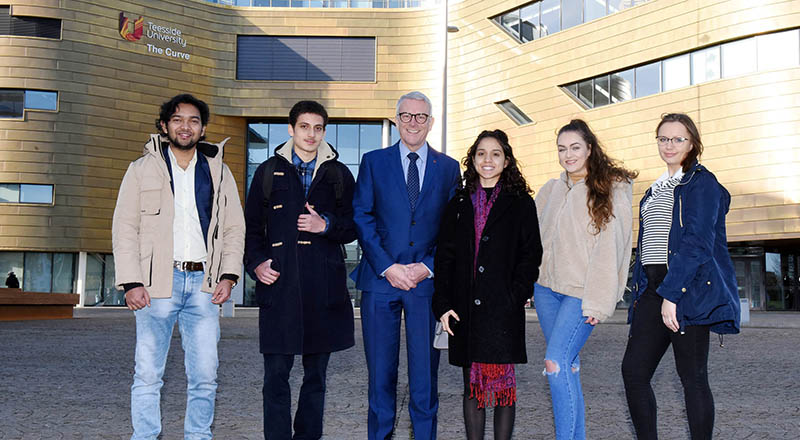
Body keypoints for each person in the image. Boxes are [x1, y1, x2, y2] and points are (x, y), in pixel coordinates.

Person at [112, 94, 245, 440]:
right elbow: (124, 227)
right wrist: (131, 282)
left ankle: (198, 436)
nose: (185, 126)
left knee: (204, 375)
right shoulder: (141, 169)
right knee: (148, 375)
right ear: (164, 125)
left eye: (194, 120)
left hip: (204, 284)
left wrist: (228, 275)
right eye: (178, 119)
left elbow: (233, 227)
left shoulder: (219, 170)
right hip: (156, 284)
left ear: (202, 129)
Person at [621, 113, 740, 439]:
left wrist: (673, 295)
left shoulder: (702, 183)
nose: (669, 145)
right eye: (663, 138)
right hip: (651, 288)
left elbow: (696, 243)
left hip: (688, 288)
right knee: (633, 373)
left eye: (678, 139)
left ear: (693, 143)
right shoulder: (654, 189)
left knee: (692, 377)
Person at [351, 91, 461, 440]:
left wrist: (425, 267)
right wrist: (389, 266)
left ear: (431, 122)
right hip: (381, 281)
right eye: (407, 115)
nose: (414, 122)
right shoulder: (373, 161)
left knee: (425, 377)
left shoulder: (448, 168)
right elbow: (362, 216)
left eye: (421, 116)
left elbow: (453, 228)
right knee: (380, 376)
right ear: (396, 119)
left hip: (426, 285)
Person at [244, 100, 357, 440]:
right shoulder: (267, 172)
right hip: (279, 289)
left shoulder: (339, 174)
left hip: (323, 291)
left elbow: (354, 226)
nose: (311, 134)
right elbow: (251, 228)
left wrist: (326, 224)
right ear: (291, 130)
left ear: (324, 131)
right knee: (275, 377)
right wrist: (256, 264)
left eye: (318, 128)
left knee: (316, 379)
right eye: (304, 127)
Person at [432, 129, 542, 440]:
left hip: (502, 310)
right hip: (465, 307)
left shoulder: (520, 203)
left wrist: (516, 293)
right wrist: (442, 304)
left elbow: (531, 253)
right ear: (473, 159)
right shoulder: (458, 202)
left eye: (495, 154)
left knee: (504, 389)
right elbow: (445, 258)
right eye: (481, 153)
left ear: (506, 161)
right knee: (472, 387)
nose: (488, 160)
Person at [533, 119, 637, 439]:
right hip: (546, 291)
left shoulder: (611, 188)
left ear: (590, 148)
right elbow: (530, 240)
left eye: (575, 147)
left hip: (582, 294)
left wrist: (599, 300)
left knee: (555, 363)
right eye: (562, 149)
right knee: (569, 367)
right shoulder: (550, 190)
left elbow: (612, 249)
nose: (568, 154)